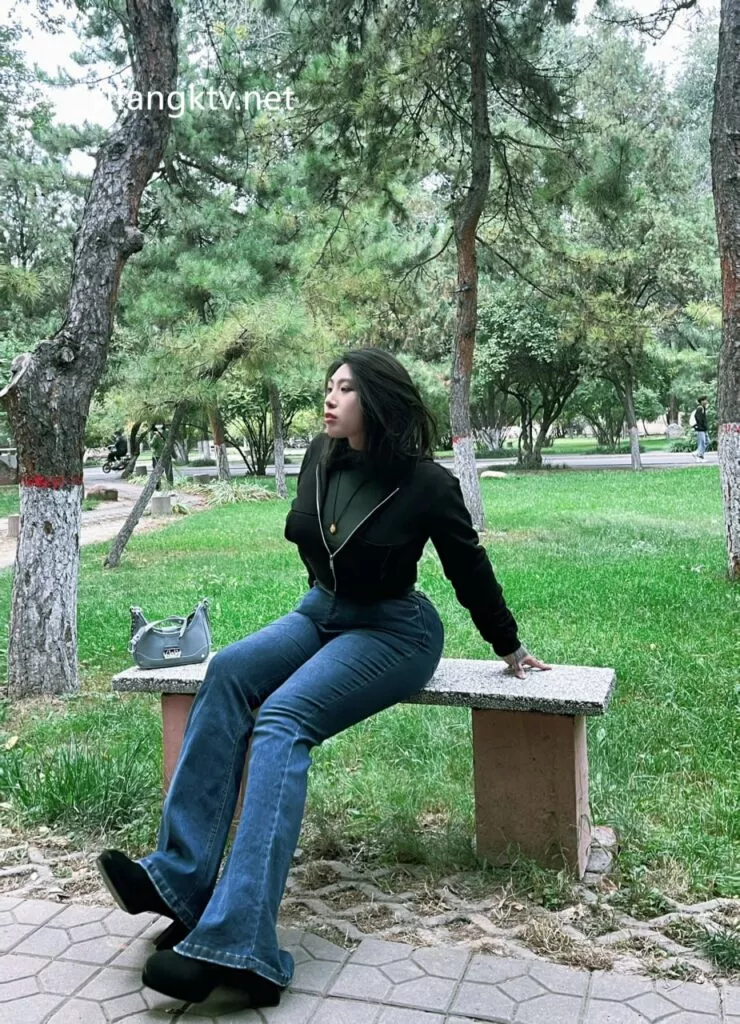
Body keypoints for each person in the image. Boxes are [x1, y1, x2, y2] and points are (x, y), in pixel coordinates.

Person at [95, 348, 550, 1007]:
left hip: (394, 630)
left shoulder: (426, 483)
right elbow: (321, 548)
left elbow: (468, 567)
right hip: (320, 611)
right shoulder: (320, 456)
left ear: (379, 401)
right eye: (329, 386)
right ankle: (178, 880)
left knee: (282, 719)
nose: (330, 398)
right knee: (228, 672)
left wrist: (508, 645)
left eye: (346, 389)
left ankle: (241, 947)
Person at [692, 396, 710, 460]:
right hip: (701, 429)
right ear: (702, 401)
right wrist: (701, 426)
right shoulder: (700, 408)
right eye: (705, 400)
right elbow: (698, 418)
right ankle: (699, 456)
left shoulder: (703, 408)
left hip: (704, 429)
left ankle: (696, 453)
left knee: (707, 442)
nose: (706, 401)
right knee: (702, 443)